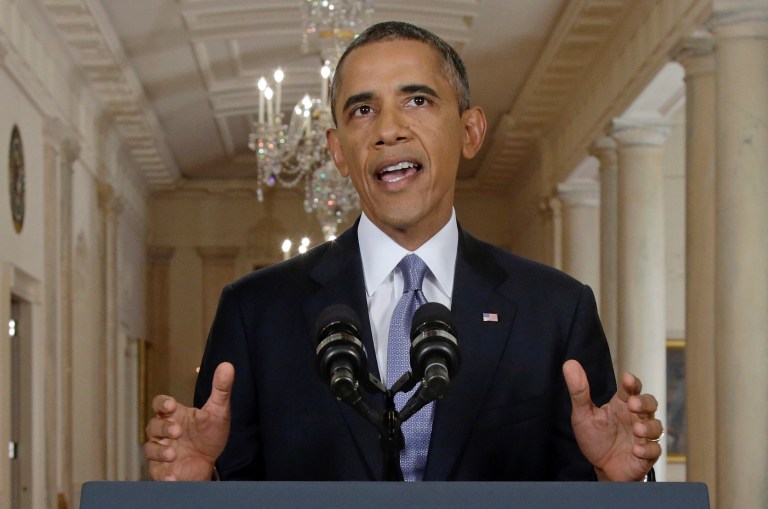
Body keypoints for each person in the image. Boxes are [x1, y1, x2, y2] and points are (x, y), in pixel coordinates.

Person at [144, 21, 662, 482]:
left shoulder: (556, 309)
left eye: (417, 101)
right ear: (338, 150)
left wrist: (615, 482)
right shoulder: (255, 310)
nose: (388, 130)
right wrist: (198, 483)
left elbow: (578, 487)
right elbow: (235, 485)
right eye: (363, 109)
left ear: (470, 130)